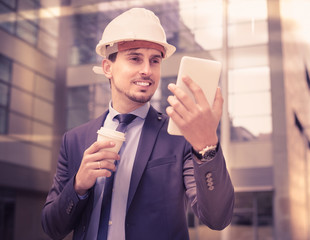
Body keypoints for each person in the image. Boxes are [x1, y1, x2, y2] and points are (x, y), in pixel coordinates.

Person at [41, 8, 234, 240]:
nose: (147, 70)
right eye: (135, 58)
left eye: (155, 61)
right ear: (107, 68)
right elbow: (52, 228)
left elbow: (217, 218)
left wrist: (207, 146)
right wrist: (78, 186)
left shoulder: (179, 137)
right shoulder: (74, 140)